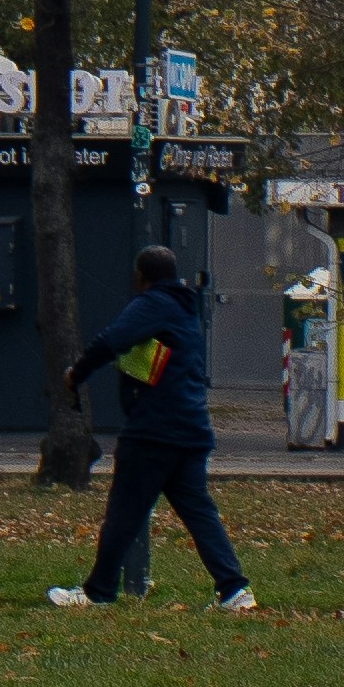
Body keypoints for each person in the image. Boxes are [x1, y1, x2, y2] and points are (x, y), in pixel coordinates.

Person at [49, 230, 255, 612]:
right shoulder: (184, 308)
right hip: (191, 428)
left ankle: (98, 593)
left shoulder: (154, 303)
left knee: (124, 514)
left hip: (154, 430)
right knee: (199, 513)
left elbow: (112, 339)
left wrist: (76, 375)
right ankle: (234, 591)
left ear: (141, 276)